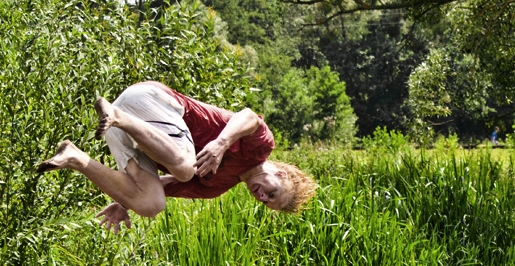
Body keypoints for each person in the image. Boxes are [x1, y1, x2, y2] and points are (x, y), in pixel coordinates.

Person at [36, 82, 316, 232]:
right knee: (185, 167)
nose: (262, 198)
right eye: (272, 193)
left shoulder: (216, 188)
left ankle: (74, 157)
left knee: (150, 204)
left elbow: (165, 186)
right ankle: (118, 116)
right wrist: (221, 143)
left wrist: (125, 202)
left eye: (265, 202)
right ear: (281, 174)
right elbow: (248, 116)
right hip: (149, 100)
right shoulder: (260, 147)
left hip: (127, 131)